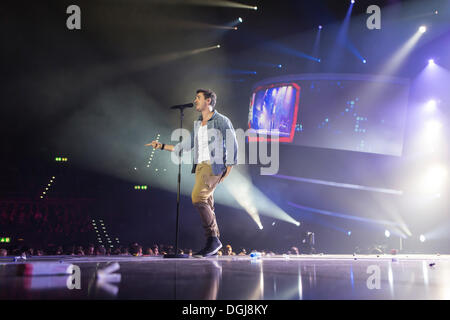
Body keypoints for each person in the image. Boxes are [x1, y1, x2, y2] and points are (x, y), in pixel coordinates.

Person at [146, 89, 238, 257]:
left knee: (198, 197)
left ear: (208, 101)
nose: (195, 101)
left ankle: (213, 240)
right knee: (207, 203)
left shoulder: (221, 120)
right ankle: (213, 241)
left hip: (214, 165)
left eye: (198, 98)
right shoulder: (198, 123)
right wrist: (161, 146)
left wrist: (229, 167)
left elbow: (233, 142)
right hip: (200, 167)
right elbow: (186, 145)